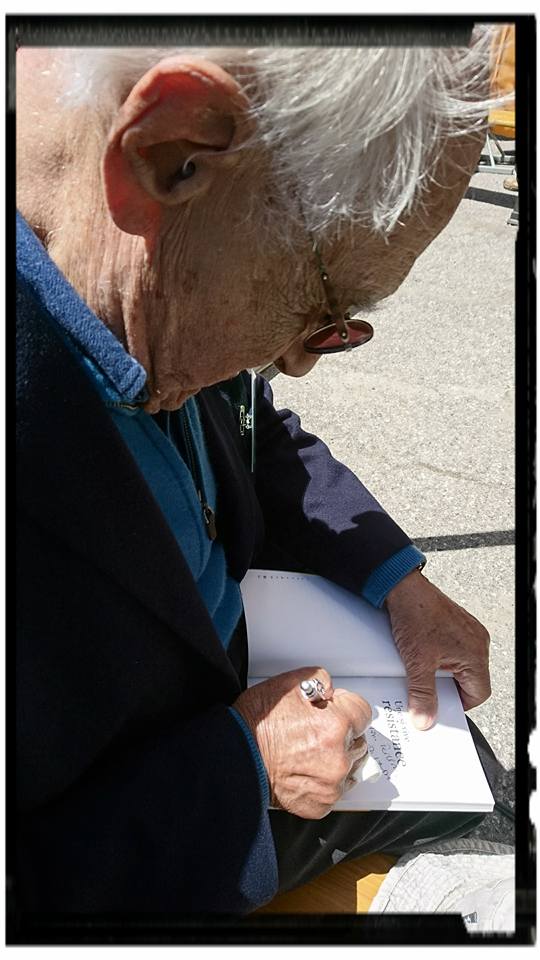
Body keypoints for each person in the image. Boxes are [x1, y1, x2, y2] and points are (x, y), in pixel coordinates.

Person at [15, 33, 500, 919]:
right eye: (323, 305)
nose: (299, 360)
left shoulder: (151, 267)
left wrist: (400, 580)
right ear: (173, 151)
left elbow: (254, 431)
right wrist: (242, 770)